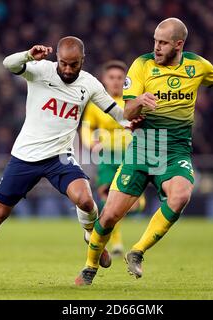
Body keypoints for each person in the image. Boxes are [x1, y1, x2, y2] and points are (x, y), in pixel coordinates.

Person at [75, 18, 213, 285]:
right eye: (155, 41)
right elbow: (127, 111)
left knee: (181, 195)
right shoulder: (142, 65)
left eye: (162, 43)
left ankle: (137, 251)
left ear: (178, 44)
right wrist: (139, 102)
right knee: (110, 215)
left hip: (175, 152)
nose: (156, 47)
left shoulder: (196, 66)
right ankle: (90, 266)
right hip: (143, 149)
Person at [0, 36, 132, 271]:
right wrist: (27, 55)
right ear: (57, 59)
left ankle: (90, 236)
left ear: (83, 60)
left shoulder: (90, 83)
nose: (67, 68)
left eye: (73, 64)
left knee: (85, 200)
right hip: (25, 156)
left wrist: (137, 119)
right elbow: (8, 64)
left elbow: (117, 113)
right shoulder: (41, 70)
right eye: (63, 63)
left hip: (60, 157)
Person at [81, 60, 146, 258]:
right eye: (111, 77)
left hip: (131, 155)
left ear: (125, 80)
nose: (116, 82)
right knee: (107, 198)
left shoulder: (132, 101)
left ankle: (110, 228)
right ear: (104, 80)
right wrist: (91, 144)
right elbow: (86, 127)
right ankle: (116, 242)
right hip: (107, 157)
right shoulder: (96, 103)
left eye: (119, 78)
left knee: (135, 205)